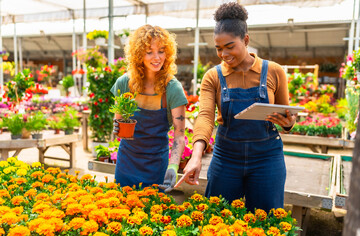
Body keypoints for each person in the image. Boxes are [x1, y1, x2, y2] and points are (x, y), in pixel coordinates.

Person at [175, 2, 296, 213]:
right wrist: (196, 156)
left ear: (246, 40)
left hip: (266, 157)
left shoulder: (274, 71)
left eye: (230, 46)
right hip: (226, 156)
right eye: (219, 48)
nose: (224, 54)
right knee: (217, 216)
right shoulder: (213, 76)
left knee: (266, 218)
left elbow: (286, 114)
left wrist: (289, 122)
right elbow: (205, 116)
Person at [111, 24, 188, 192]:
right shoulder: (125, 84)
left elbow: (179, 136)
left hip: (156, 165)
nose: (157, 57)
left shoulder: (172, 89)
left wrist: (173, 167)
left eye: (161, 51)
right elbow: (117, 126)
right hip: (126, 162)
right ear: (138, 54)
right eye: (149, 52)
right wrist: (116, 127)